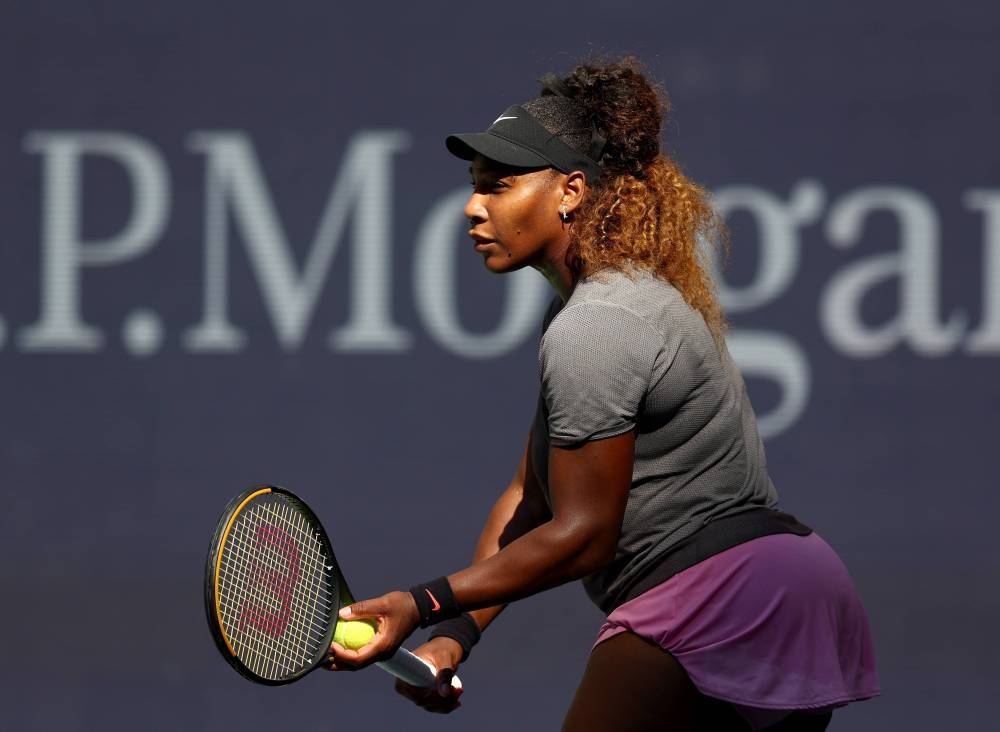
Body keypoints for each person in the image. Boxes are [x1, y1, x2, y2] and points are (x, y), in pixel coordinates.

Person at [327, 58, 880, 731]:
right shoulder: (593, 308)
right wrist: (456, 634)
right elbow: (531, 499)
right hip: (788, 590)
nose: (473, 206)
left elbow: (584, 536)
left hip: (720, 594)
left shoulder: (598, 324)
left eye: (498, 186)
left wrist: (420, 604)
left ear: (570, 191)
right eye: (474, 187)